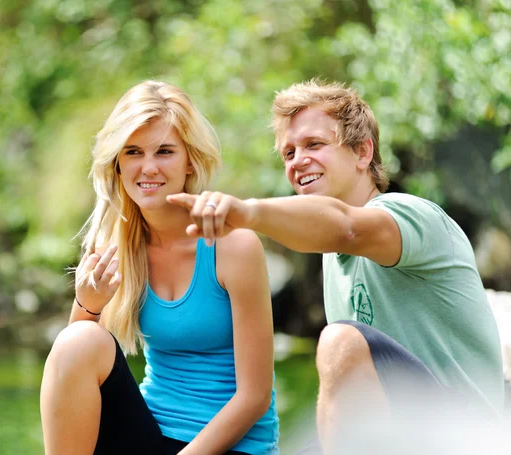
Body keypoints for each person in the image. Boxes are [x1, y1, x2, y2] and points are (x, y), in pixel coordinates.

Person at [167, 79, 505, 454]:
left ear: (362, 152)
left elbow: (347, 227)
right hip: (413, 437)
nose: (298, 160)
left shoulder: (410, 216)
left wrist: (248, 212)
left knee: (340, 340)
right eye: (289, 152)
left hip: (472, 438)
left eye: (314, 144)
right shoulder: (332, 257)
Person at [40, 81, 279, 455]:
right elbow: (73, 374)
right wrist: (87, 304)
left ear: (190, 161)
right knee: (77, 340)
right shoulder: (116, 247)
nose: (147, 167)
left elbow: (256, 397)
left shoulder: (233, 245)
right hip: (151, 434)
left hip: (231, 447)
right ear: (118, 165)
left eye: (164, 151)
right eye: (133, 152)